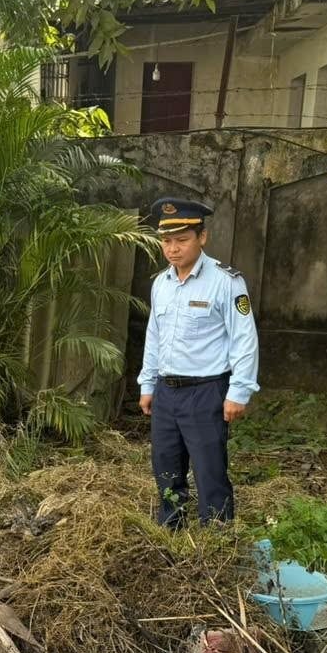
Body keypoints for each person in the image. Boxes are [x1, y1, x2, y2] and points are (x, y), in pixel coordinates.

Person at [138, 198, 259, 528]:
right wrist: (147, 385)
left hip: (205, 392)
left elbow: (244, 339)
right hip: (166, 393)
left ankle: (215, 539)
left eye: (182, 240)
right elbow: (155, 337)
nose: (173, 249)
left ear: (202, 238)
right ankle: (171, 531)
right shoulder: (161, 284)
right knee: (166, 468)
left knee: (210, 472)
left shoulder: (226, 282)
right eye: (166, 241)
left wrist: (239, 392)